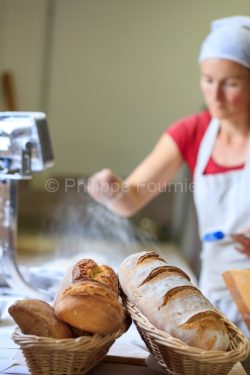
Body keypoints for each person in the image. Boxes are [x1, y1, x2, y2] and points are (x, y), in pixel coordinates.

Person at [87, 16, 250, 338]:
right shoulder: (193, 132)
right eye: (207, 80)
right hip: (219, 292)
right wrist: (110, 190)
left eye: (230, 83)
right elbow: (130, 200)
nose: (214, 95)